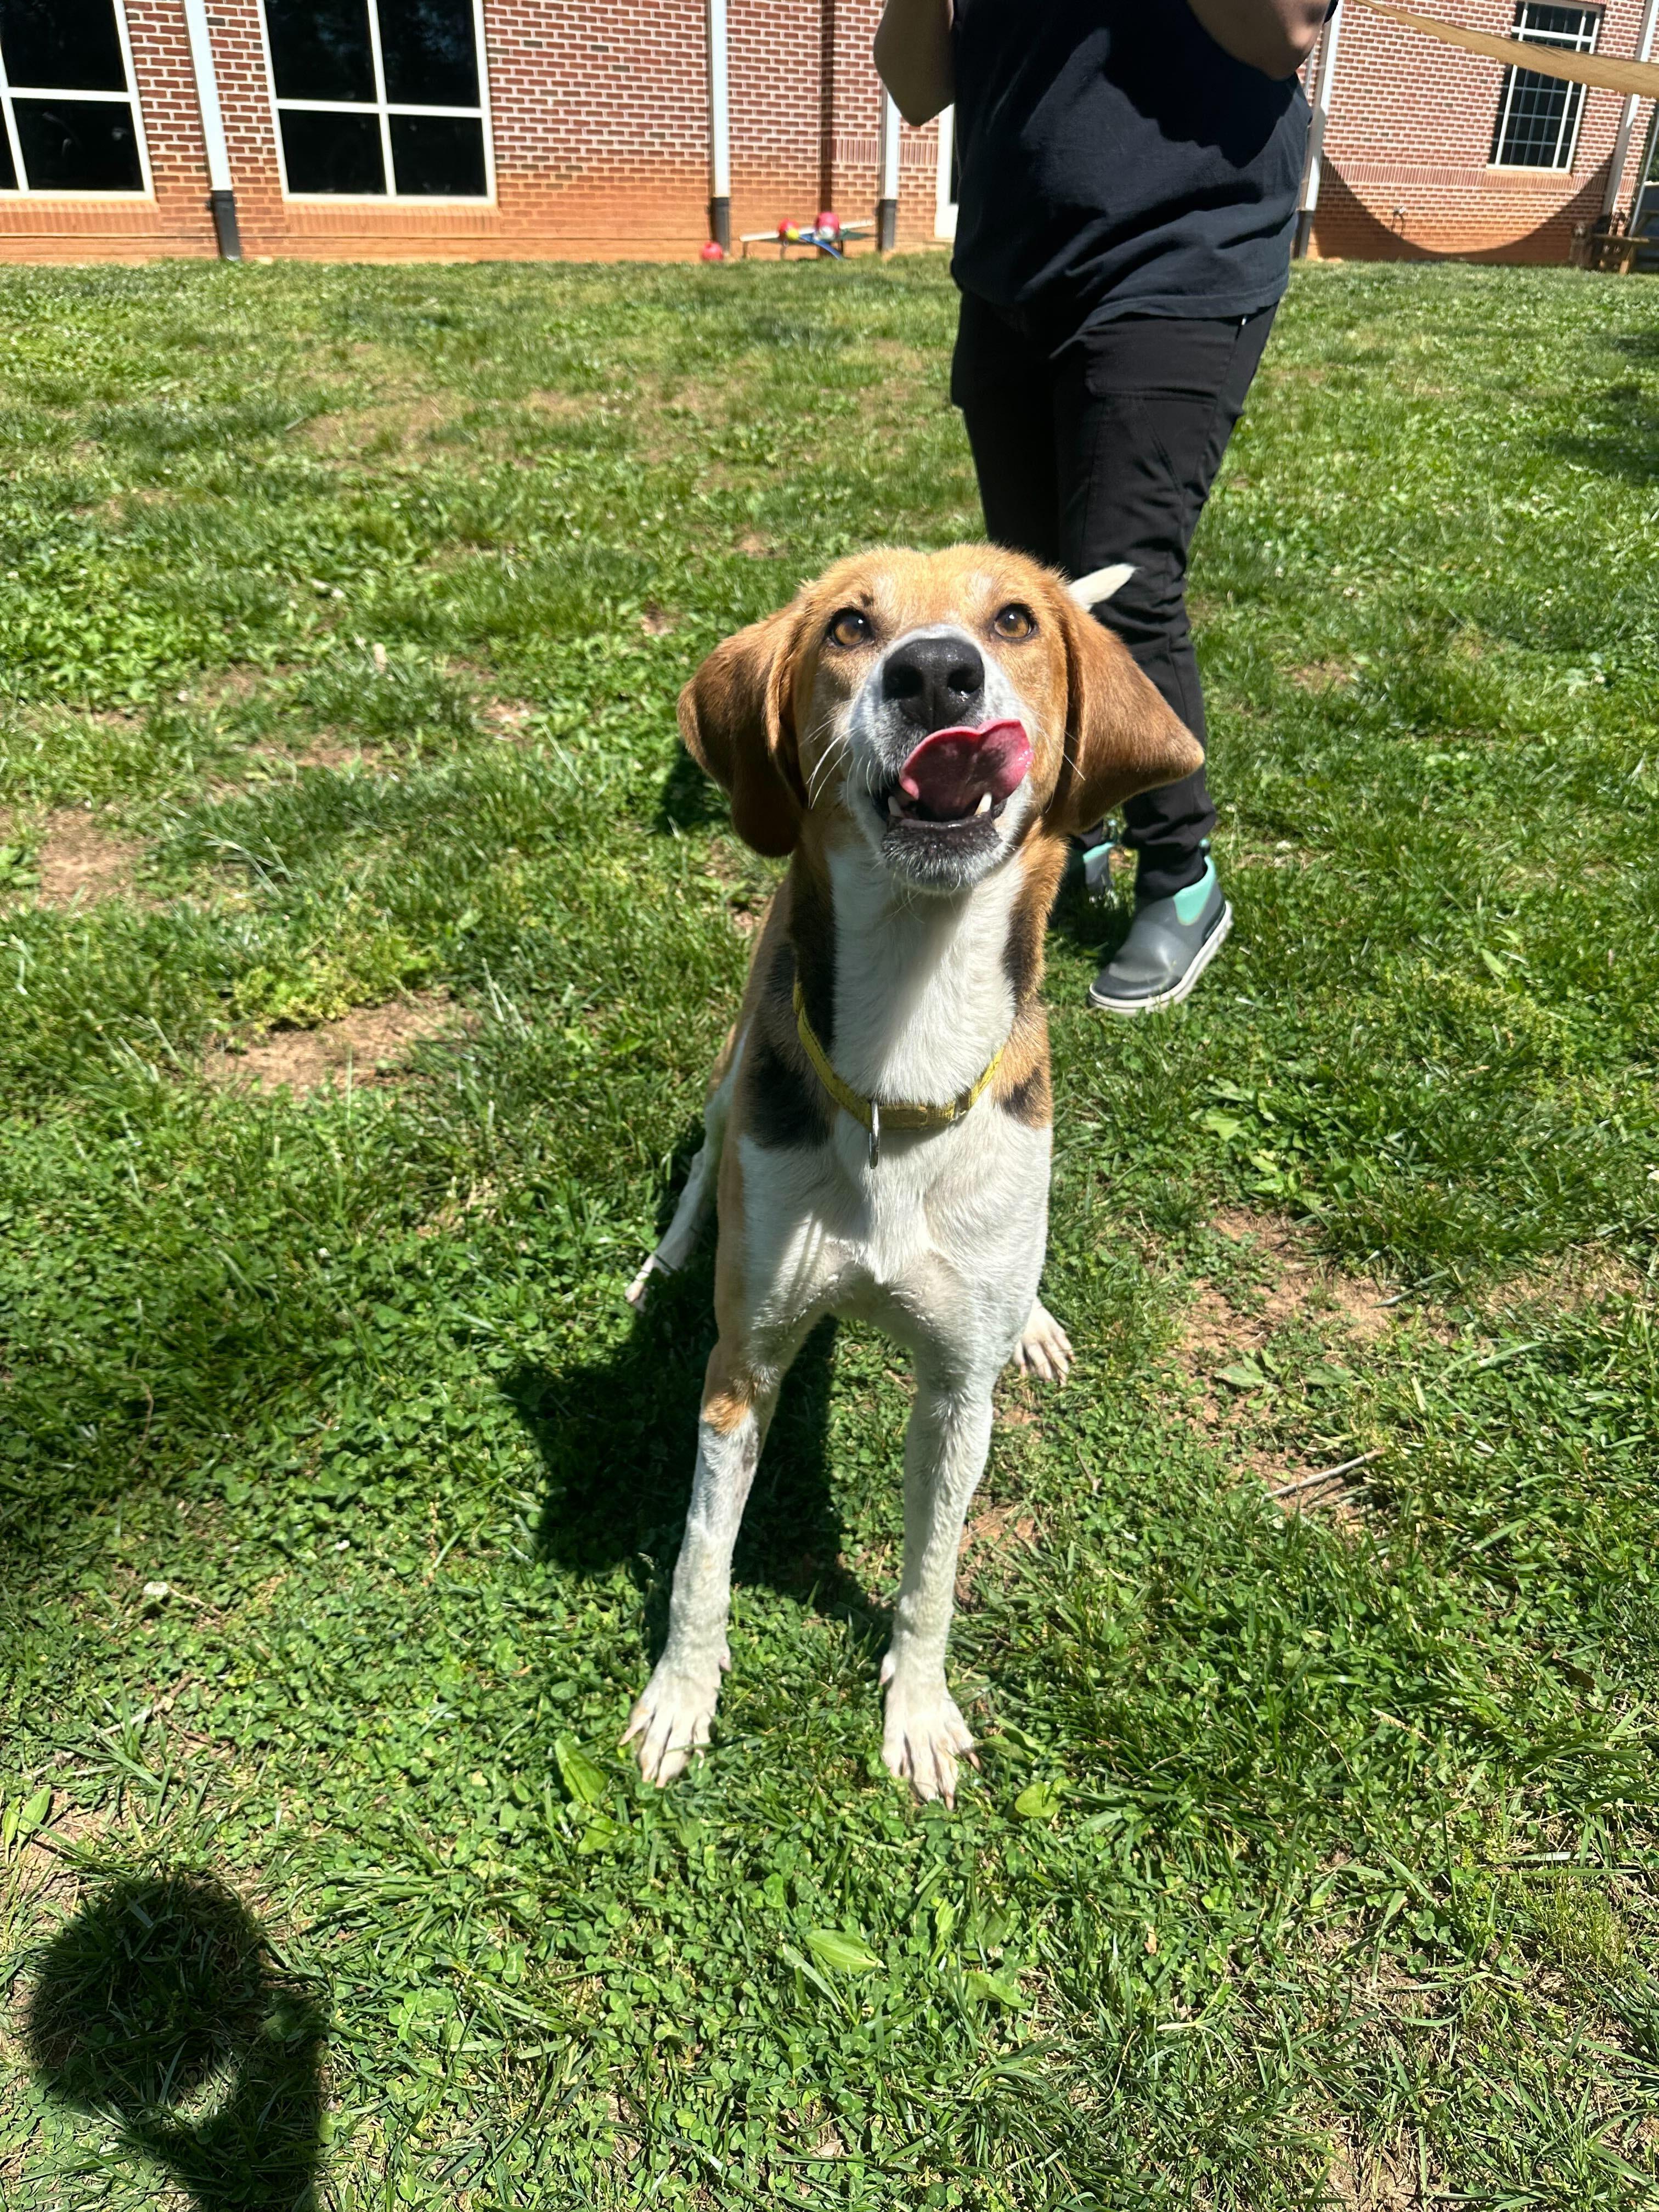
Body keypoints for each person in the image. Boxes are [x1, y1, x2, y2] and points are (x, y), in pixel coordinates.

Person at [875, 0, 1330, 1013]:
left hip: (1177, 249)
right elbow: (914, 85)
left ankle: (1180, 871)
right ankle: (1063, 824)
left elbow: (1279, 34)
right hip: (1010, 263)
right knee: (1028, 594)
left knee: (1122, 582)